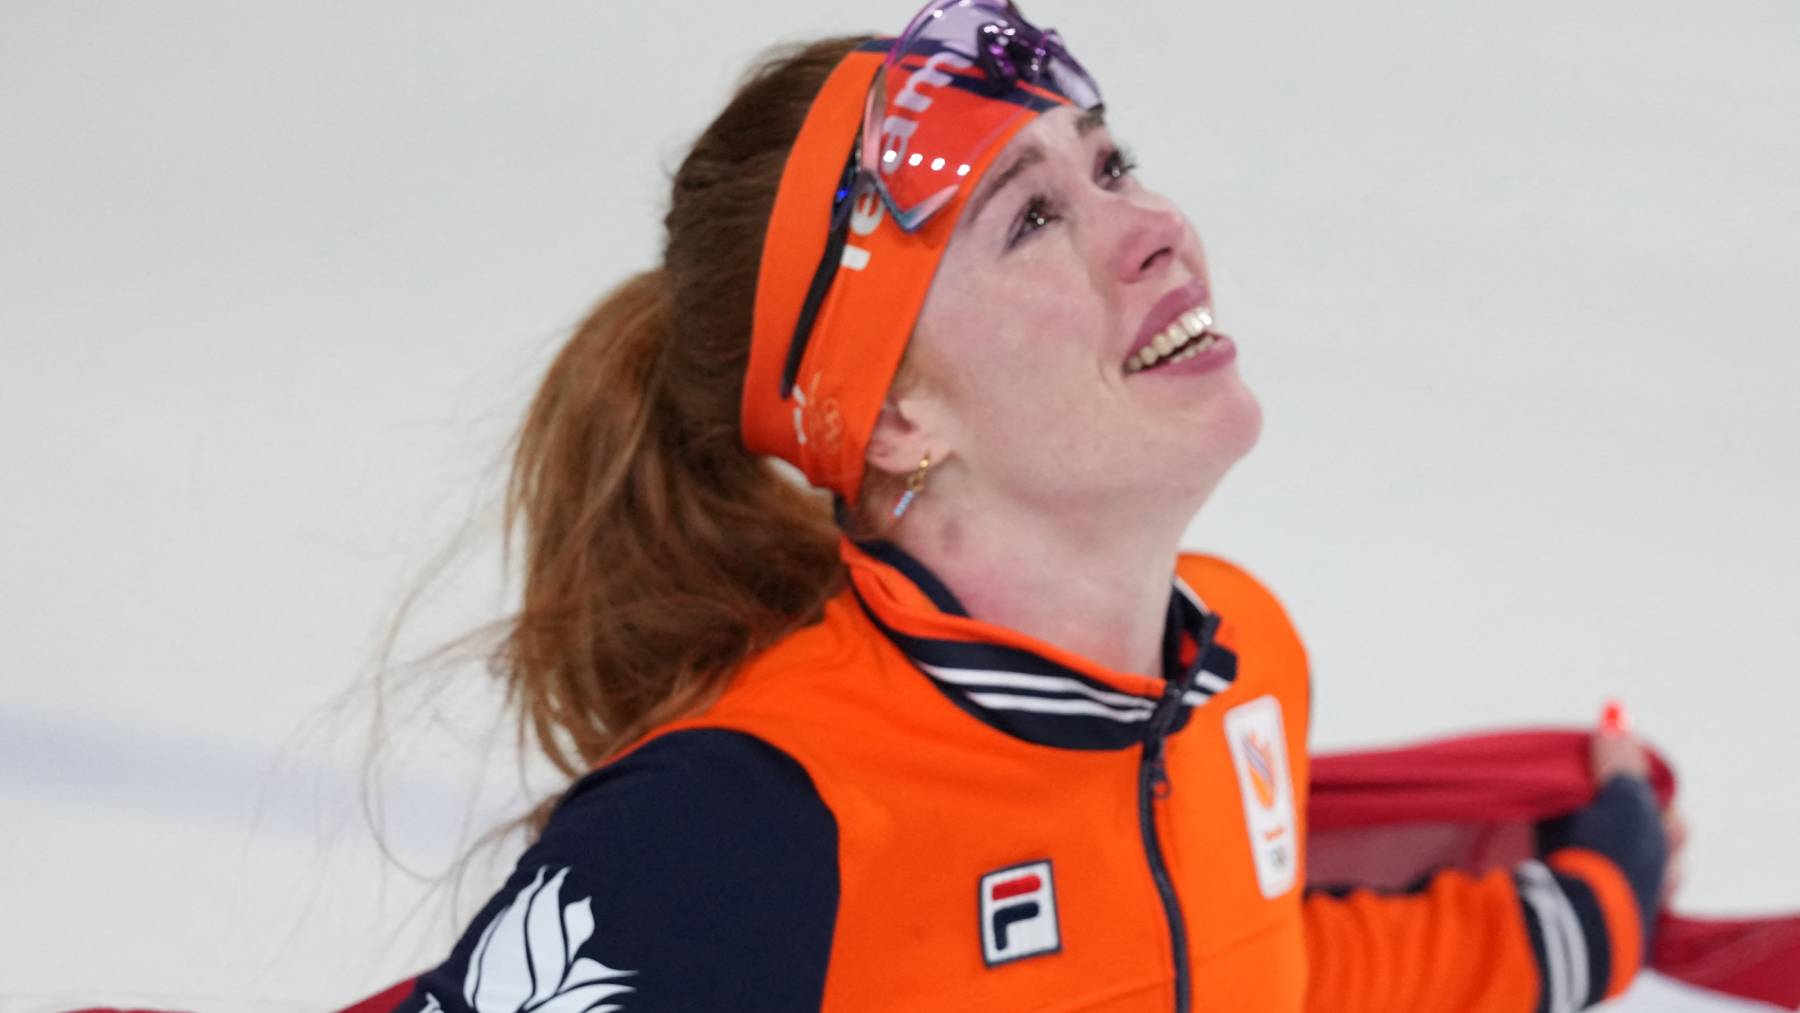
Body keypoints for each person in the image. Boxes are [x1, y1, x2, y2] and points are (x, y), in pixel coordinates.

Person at [386, 2, 1677, 1010]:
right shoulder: (741, 828)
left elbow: (1265, 974)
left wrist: (1593, 908)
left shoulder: (1244, 668)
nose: (1155, 225)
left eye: (1113, 164)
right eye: (1035, 217)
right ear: (894, 415)